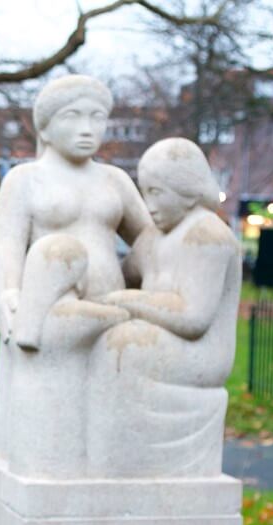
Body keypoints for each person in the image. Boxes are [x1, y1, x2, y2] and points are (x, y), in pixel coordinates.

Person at [88, 137, 242, 477]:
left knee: (125, 343)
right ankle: (107, 456)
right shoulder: (153, 237)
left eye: (157, 192)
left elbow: (193, 317)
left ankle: (122, 458)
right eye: (145, 192)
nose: (148, 205)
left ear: (187, 189)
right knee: (105, 336)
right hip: (160, 339)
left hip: (201, 353)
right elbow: (122, 277)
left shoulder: (208, 236)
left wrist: (129, 300)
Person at [0, 74, 151, 348]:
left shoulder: (115, 179)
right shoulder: (25, 178)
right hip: (51, 309)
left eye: (97, 117)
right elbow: (6, 242)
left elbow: (151, 241)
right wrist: (8, 291)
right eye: (71, 117)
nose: (86, 129)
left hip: (109, 305)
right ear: (45, 129)